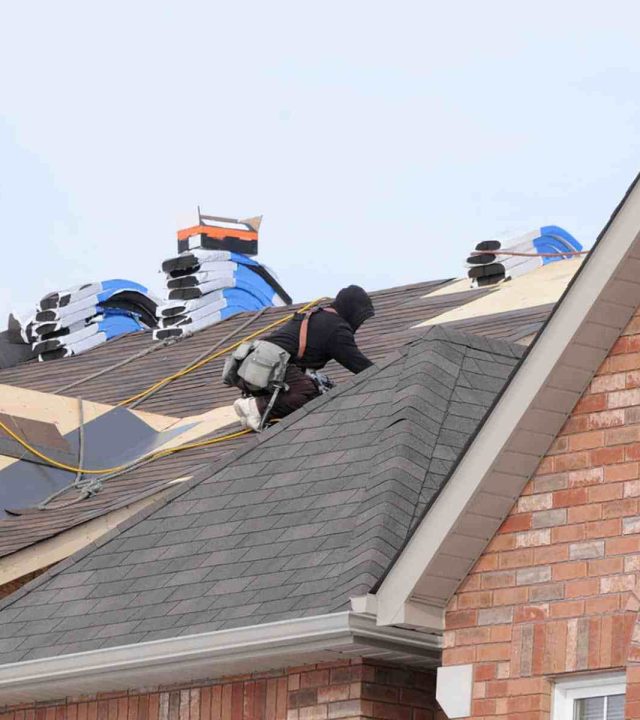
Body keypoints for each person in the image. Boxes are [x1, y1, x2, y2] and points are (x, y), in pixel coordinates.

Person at [233, 285, 375, 430]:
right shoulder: (336, 328)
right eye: (360, 318)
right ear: (352, 311)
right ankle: (254, 407)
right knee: (308, 392)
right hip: (268, 365)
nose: (359, 324)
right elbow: (360, 365)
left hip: (251, 364)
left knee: (319, 389)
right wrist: (388, 372)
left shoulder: (319, 317)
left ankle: (257, 410)